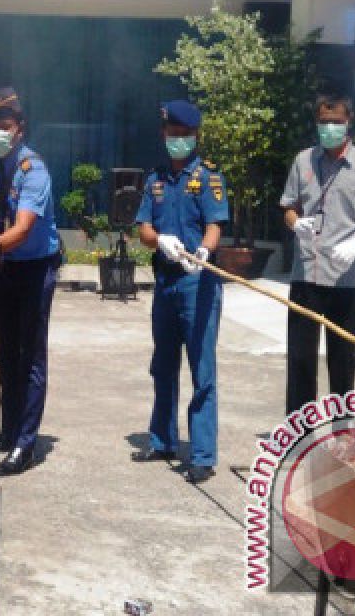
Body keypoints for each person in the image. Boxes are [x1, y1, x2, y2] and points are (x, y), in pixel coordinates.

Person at [132, 100, 229, 485]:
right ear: (164, 134)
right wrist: (161, 241)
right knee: (163, 365)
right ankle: (163, 440)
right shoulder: (155, 179)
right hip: (166, 281)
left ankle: (203, 454)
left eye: (184, 135)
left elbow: (215, 225)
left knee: (201, 369)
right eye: (172, 134)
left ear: (194, 136)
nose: (178, 140)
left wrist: (204, 251)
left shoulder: (208, 177)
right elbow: (142, 230)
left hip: (197, 283)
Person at [281, 93, 355, 413]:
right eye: (324, 122)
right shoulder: (303, 161)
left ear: (349, 122)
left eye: (336, 122)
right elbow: (288, 207)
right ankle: (299, 432)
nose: (329, 128)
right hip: (307, 275)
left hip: (347, 278)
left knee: (343, 361)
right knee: (300, 359)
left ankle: (342, 433)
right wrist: (296, 224)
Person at [0, 87, 61, 476]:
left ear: (19, 129)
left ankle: (26, 444)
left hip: (36, 267)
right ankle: (8, 431)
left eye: (3, 126)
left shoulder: (34, 170)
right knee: (6, 352)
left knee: (30, 356)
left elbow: (23, 228)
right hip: (8, 265)